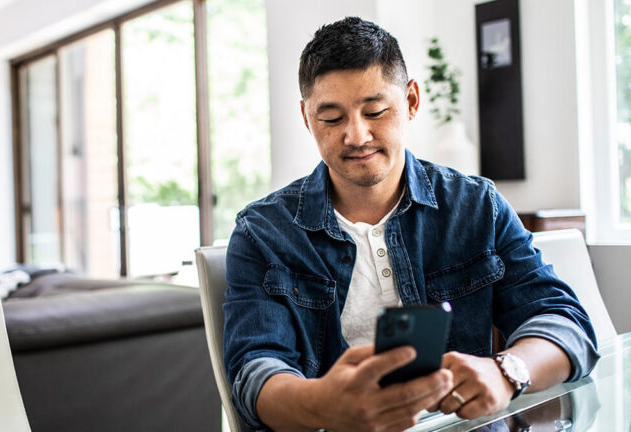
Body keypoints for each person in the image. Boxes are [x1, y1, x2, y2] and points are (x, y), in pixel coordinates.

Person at [223, 17, 598, 432]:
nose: (356, 135)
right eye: (331, 118)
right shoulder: (264, 232)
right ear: (307, 118)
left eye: (375, 111)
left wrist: (507, 371)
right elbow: (253, 372)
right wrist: (321, 405)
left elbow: (566, 323)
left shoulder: (476, 206)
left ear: (412, 101)